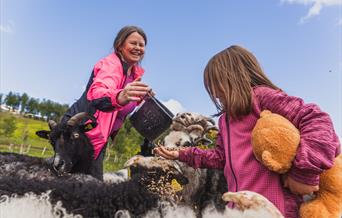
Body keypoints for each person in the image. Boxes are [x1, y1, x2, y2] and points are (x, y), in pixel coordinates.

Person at [154, 45, 341, 217]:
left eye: (215, 82)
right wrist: (180, 154)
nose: (214, 91)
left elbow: (317, 120)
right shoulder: (225, 120)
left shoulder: (262, 98)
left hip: (275, 209)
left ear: (233, 76)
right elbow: (220, 158)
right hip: (242, 210)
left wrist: (304, 173)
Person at [61, 25, 151, 180]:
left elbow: (123, 106)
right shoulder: (111, 65)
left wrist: (140, 97)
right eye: (133, 43)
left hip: (97, 136)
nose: (138, 48)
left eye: (141, 45)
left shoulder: (133, 74)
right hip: (77, 132)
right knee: (80, 184)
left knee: (88, 185)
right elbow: (99, 93)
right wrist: (120, 96)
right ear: (120, 45)